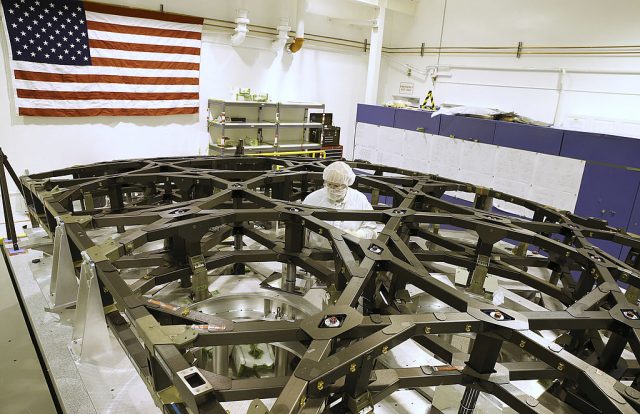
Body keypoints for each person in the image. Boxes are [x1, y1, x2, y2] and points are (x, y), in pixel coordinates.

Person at [303, 161, 377, 247]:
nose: (332, 189)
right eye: (329, 184)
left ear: (347, 184)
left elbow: (371, 230)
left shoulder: (359, 200)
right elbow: (301, 228)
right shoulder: (313, 199)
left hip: (350, 254)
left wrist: (357, 235)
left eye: (336, 186)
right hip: (315, 254)